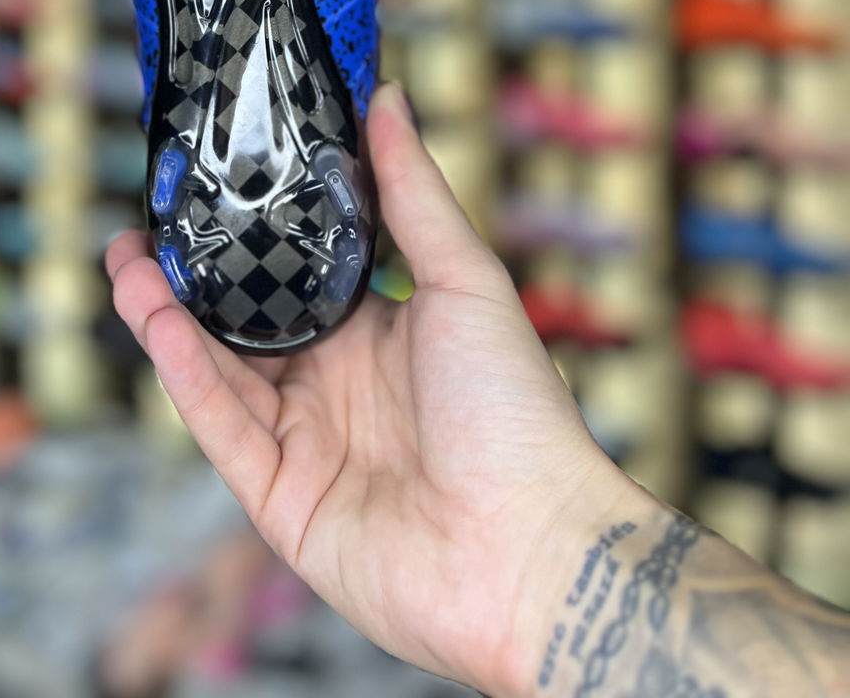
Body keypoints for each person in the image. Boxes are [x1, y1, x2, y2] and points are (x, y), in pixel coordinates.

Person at [104, 82, 850, 698]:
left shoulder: (180, 553)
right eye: (149, 650)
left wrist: (532, 557)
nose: (155, 623)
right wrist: (529, 559)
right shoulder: (246, 649)